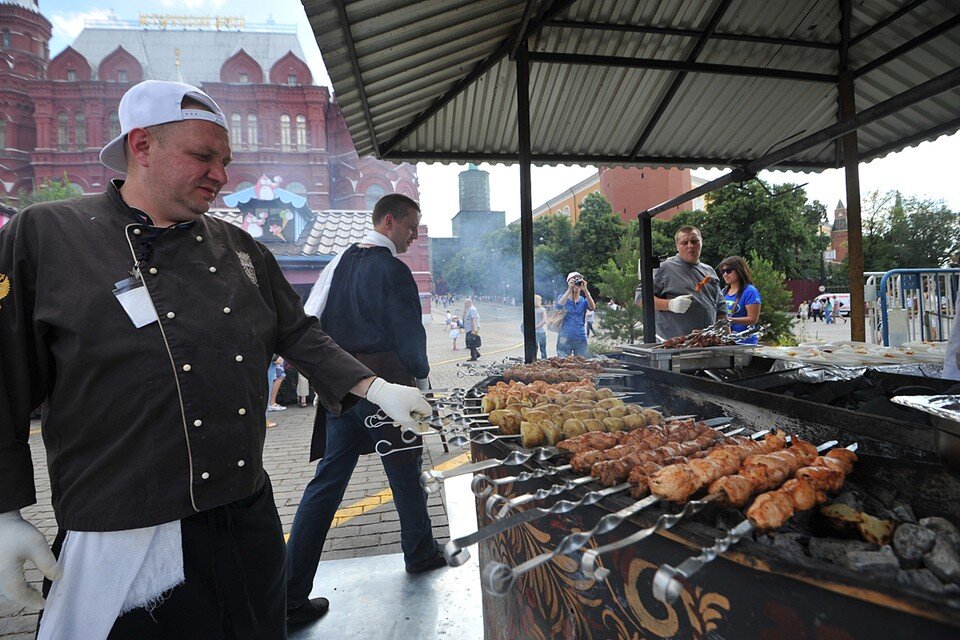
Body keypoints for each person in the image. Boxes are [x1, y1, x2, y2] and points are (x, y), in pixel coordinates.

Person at [0, 80, 431, 639]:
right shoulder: (46, 234)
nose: (221, 175)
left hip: (243, 511)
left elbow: (297, 332)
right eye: (202, 156)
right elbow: (4, 376)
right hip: (123, 523)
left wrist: (374, 388)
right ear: (142, 145)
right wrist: (5, 509)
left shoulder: (240, 247)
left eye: (224, 161)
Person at [288, 194, 442, 627]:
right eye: (411, 226)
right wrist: (423, 383)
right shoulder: (392, 268)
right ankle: (420, 553)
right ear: (389, 221)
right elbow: (409, 333)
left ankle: (289, 595)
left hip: (343, 389)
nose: (414, 234)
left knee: (325, 486)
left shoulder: (338, 263)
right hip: (386, 385)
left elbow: (311, 321)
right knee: (406, 475)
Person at [635, 226, 726, 340]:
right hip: (673, 345)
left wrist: (727, 339)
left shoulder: (709, 271)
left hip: (708, 344)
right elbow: (640, 299)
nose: (690, 246)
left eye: (694, 241)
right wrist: (670, 304)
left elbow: (721, 312)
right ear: (677, 246)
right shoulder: (663, 268)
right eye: (684, 242)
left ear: (701, 242)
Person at [718, 256, 762, 344]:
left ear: (739, 270)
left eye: (729, 271)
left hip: (745, 342)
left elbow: (753, 319)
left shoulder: (750, 291)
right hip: (727, 341)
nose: (725, 274)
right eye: (723, 272)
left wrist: (729, 320)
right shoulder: (723, 291)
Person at [556, 271, 595, 356]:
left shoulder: (583, 300)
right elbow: (559, 306)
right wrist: (569, 289)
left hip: (580, 335)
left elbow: (592, 307)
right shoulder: (563, 297)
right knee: (562, 360)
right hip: (564, 336)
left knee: (582, 361)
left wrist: (586, 291)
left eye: (578, 283)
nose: (576, 285)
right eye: (574, 282)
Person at [534, 294, 548, 359]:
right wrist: (537, 327)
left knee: (534, 349)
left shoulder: (531, 309)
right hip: (541, 332)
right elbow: (544, 321)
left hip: (533, 332)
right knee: (543, 349)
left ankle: (533, 361)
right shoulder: (542, 310)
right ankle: (544, 361)